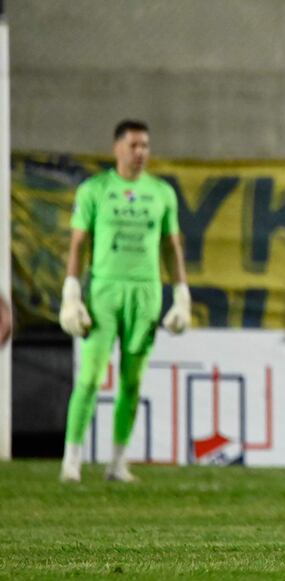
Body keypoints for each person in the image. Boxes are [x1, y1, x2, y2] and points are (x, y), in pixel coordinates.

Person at [58, 119, 191, 483]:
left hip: (146, 292)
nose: (140, 152)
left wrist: (181, 296)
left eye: (145, 145)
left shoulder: (162, 192)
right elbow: (78, 243)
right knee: (89, 377)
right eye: (133, 145)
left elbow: (171, 245)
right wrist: (72, 292)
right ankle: (72, 460)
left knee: (132, 382)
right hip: (104, 291)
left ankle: (117, 462)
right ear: (117, 148)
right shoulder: (94, 190)